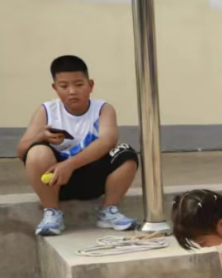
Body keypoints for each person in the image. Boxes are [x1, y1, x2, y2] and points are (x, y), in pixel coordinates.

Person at [16, 55, 138, 236]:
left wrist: (70, 165)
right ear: (55, 88)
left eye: (79, 84)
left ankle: (109, 211)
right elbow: (21, 151)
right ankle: (52, 212)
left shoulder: (103, 109)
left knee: (126, 153)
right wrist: (39, 137)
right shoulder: (46, 111)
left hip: (93, 179)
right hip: (55, 182)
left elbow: (107, 141)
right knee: (37, 152)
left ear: (91, 85)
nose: (72, 91)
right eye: (64, 86)